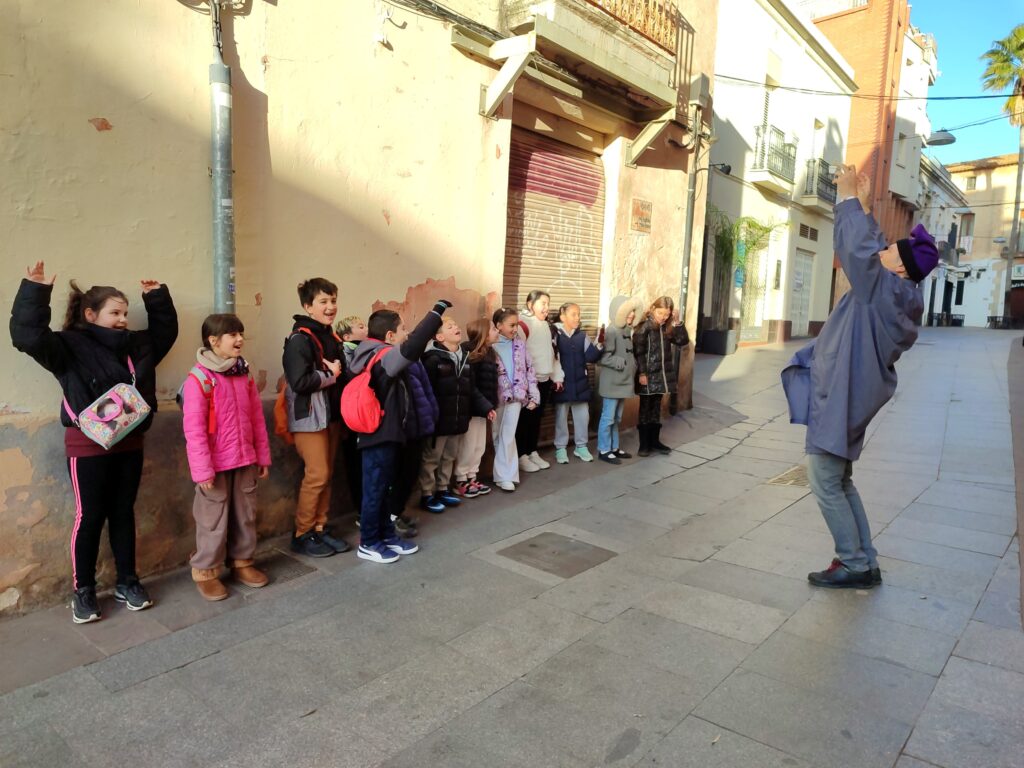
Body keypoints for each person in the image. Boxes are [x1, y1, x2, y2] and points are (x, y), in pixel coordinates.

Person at [782, 165, 938, 589]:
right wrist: (865, 209)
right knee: (839, 479)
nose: (881, 249)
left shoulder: (884, 291)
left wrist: (850, 198)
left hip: (843, 396)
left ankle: (853, 562)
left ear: (900, 268)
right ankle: (863, 560)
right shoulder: (895, 292)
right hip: (849, 393)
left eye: (889, 250)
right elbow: (868, 252)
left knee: (823, 479)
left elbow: (858, 251)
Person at [10, 262, 178, 623]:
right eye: (114, 313)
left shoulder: (137, 345)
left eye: (125, 313)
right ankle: (83, 590)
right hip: (87, 446)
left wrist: (156, 298)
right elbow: (27, 337)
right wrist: (35, 290)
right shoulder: (68, 345)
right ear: (90, 314)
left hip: (130, 442)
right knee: (89, 516)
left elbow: (165, 333)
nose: (122, 319)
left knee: (123, 513)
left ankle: (128, 582)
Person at [348, 301, 450, 563]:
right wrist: (436, 312)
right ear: (390, 335)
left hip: (388, 432)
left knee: (383, 489)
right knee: (375, 490)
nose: (407, 333)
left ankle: (386, 535)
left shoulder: (376, 353)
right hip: (378, 434)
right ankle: (369, 542)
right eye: (403, 329)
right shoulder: (382, 356)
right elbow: (413, 346)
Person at [181, 314, 271, 601]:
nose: (240, 339)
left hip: (245, 458)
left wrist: (262, 456)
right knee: (212, 519)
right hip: (215, 465)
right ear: (213, 340)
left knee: (245, 515)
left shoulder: (244, 373)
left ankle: (242, 562)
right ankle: (206, 571)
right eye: (232, 334)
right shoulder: (199, 379)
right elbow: (194, 429)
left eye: (241, 333)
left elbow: (257, 418)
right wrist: (202, 470)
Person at [282, 278, 350, 558]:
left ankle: (319, 527)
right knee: (318, 474)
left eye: (333, 300)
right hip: (309, 417)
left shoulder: (329, 335)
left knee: (327, 473)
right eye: (323, 301)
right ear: (308, 306)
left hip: (330, 415)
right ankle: (302, 532)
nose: (330, 306)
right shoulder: (300, 340)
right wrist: (331, 375)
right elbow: (299, 381)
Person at [420, 315, 495, 511]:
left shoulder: (464, 358)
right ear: (439, 337)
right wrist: (429, 417)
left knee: (449, 456)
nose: (455, 327)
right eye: (449, 326)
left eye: (455, 324)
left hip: (457, 419)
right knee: (431, 459)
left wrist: (486, 407)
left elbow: (471, 388)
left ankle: (442, 489)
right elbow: (426, 391)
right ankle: (427, 494)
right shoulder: (433, 359)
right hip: (439, 421)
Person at [633, 296, 689, 457]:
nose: (663, 317)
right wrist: (642, 373)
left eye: (666, 314)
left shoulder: (667, 328)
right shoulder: (644, 327)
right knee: (645, 408)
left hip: (662, 375)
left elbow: (682, 341)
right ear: (653, 309)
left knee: (656, 408)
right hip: (648, 375)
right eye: (660, 313)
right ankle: (644, 445)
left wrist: (677, 322)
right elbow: (639, 352)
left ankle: (654, 442)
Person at [492, 307, 540, 491]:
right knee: (497, 434)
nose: (515, 329)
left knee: (508, 434)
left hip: (517, 396)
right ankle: (500, 474)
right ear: (499, 325)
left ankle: (507, 475)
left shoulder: (520, 344)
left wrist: (533, 395)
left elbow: (530, 369)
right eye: (511, 325)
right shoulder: (491, 345)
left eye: (516, 325)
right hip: (497, 397)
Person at [515, 290, 562, 472]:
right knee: (525, 420)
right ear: (530, 304)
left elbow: (553, 353)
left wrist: (557, 376)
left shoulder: (546, 326)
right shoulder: (522, 324)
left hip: (544, 381)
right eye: (543, 303)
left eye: (548, 303)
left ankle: (532, 451)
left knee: (536, 419)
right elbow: (517, 355)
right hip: (529, 383)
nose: (547, 308)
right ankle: (521, 455)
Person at [453, 318, 499, 497]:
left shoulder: (489, 352)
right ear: (484, 334)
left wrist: (489, 406)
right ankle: (461, 479)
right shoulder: (469, 353)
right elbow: (470, 386)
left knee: (479, 445)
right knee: (468, 444)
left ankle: (472, 476)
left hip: (484, 408)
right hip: (472, 409)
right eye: (493, 329)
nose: (497, 331)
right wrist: (486, 406)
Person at [551, 302, 602, 463]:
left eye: (578, 314)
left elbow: (591, 357)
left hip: (581, 384)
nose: (577, 318)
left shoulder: (582, 336)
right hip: (562, 384)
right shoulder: (555, 334)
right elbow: (551, 357)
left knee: (582, 417)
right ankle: (560, 448)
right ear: (562, 316)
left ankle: (581, 446)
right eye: (573, 314)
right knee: (561, 417)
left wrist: (599, 343)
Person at [597, 295, 644, 464]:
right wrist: (620, 362)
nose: (632, 314)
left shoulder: (625, 330)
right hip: (612, 384)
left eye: (633, 311)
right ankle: (604, 449)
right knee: (608, 418)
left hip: (623, 382)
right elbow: (602, 358)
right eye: (628, 311)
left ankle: (614, 447)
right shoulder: (612, 331)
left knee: (616, 418)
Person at [336, 314, 367, 516]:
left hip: (365, 416)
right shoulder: (345, 354)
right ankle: (362, 510)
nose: (366, 329)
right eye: (360, 326)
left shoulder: (366, 350)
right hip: (353, 417)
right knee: (357, 466)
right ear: (347, 336)